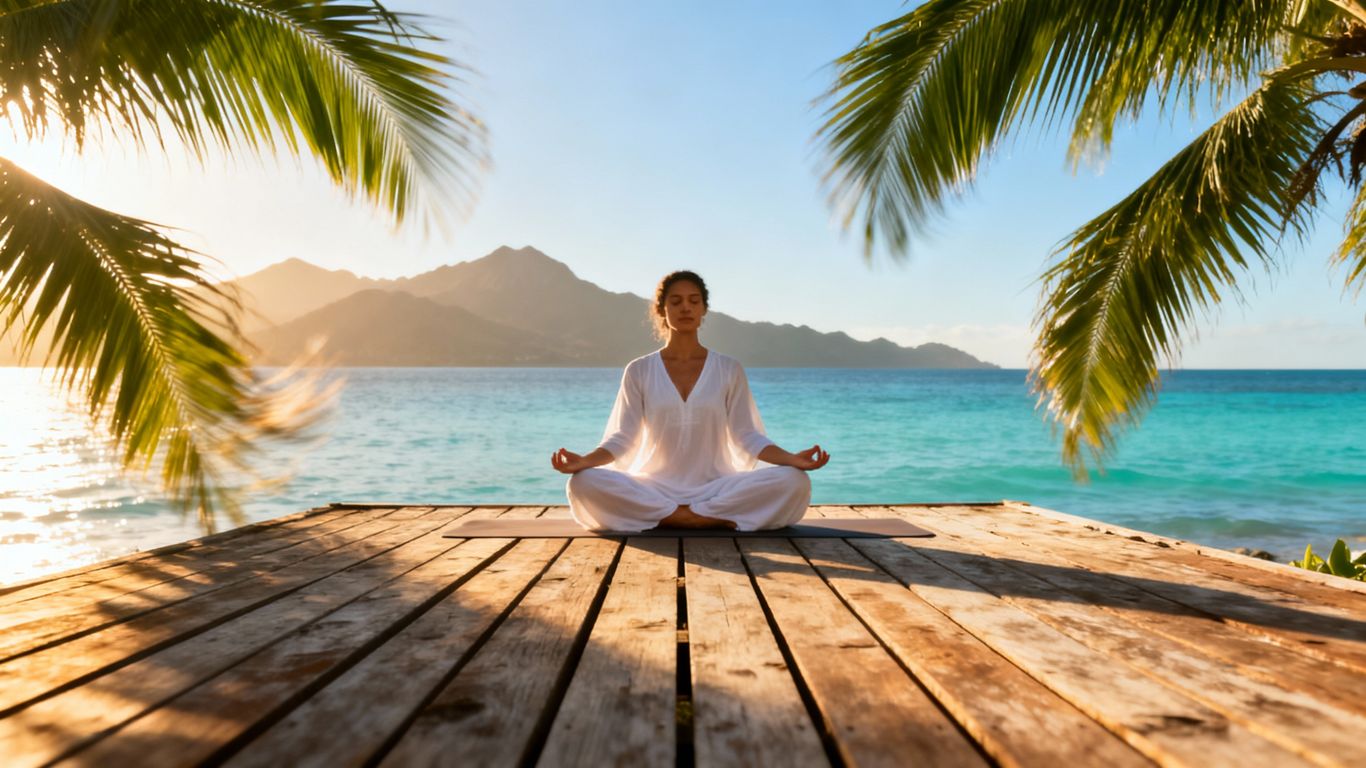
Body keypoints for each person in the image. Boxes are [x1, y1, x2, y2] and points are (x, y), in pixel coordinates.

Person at [551, 270, 830, 531]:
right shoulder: (639, 370)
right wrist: (585, 461)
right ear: (662, 310)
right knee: (583, 483)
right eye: (676, 301)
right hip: (655, 488)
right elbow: (623, 438)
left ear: (703, 309)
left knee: (795, 481)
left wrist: (792, 459)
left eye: (693, 301)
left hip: (716, 487)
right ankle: (701, 518)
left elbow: (748, 436)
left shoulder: (728, 369)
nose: (686, 308)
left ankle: (672, 517)